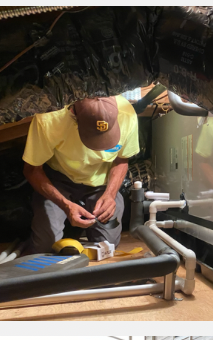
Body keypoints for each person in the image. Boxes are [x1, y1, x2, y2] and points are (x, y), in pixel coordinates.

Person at [20, 95, 140, 256]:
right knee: (45, 245)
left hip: (101, 184)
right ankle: (61, 229)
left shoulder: (127, 114)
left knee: (107, 246)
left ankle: (75, 230)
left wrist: (110, 195)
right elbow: (32, 169)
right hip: (59, 180)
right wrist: (65, 205)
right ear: (73, 114)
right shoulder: (49, 118)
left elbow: (121, 160)